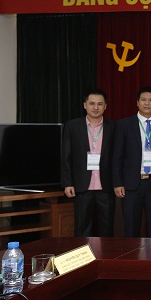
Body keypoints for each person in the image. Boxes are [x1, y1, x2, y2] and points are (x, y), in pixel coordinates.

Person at [113, 86, 151, 237]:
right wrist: (118, 183)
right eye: (143, 100)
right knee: (131, 228)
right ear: (137, 102)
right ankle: (133, 253)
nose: (147, 103)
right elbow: (117, 156)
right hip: (131, 184)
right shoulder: (124, 125)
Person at [61, 89, 116, 237]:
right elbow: (66, 156)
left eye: (100, 104)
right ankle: (84, 253)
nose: (95, 107)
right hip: (82, 186)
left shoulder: (113, 127)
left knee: (107, 228)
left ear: (105, 106)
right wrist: (67, 183)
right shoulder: (72, 126)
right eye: (92, 104)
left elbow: (117, 158)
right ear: (85, 105)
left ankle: (105, 252)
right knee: (82, 228)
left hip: (106, 187)